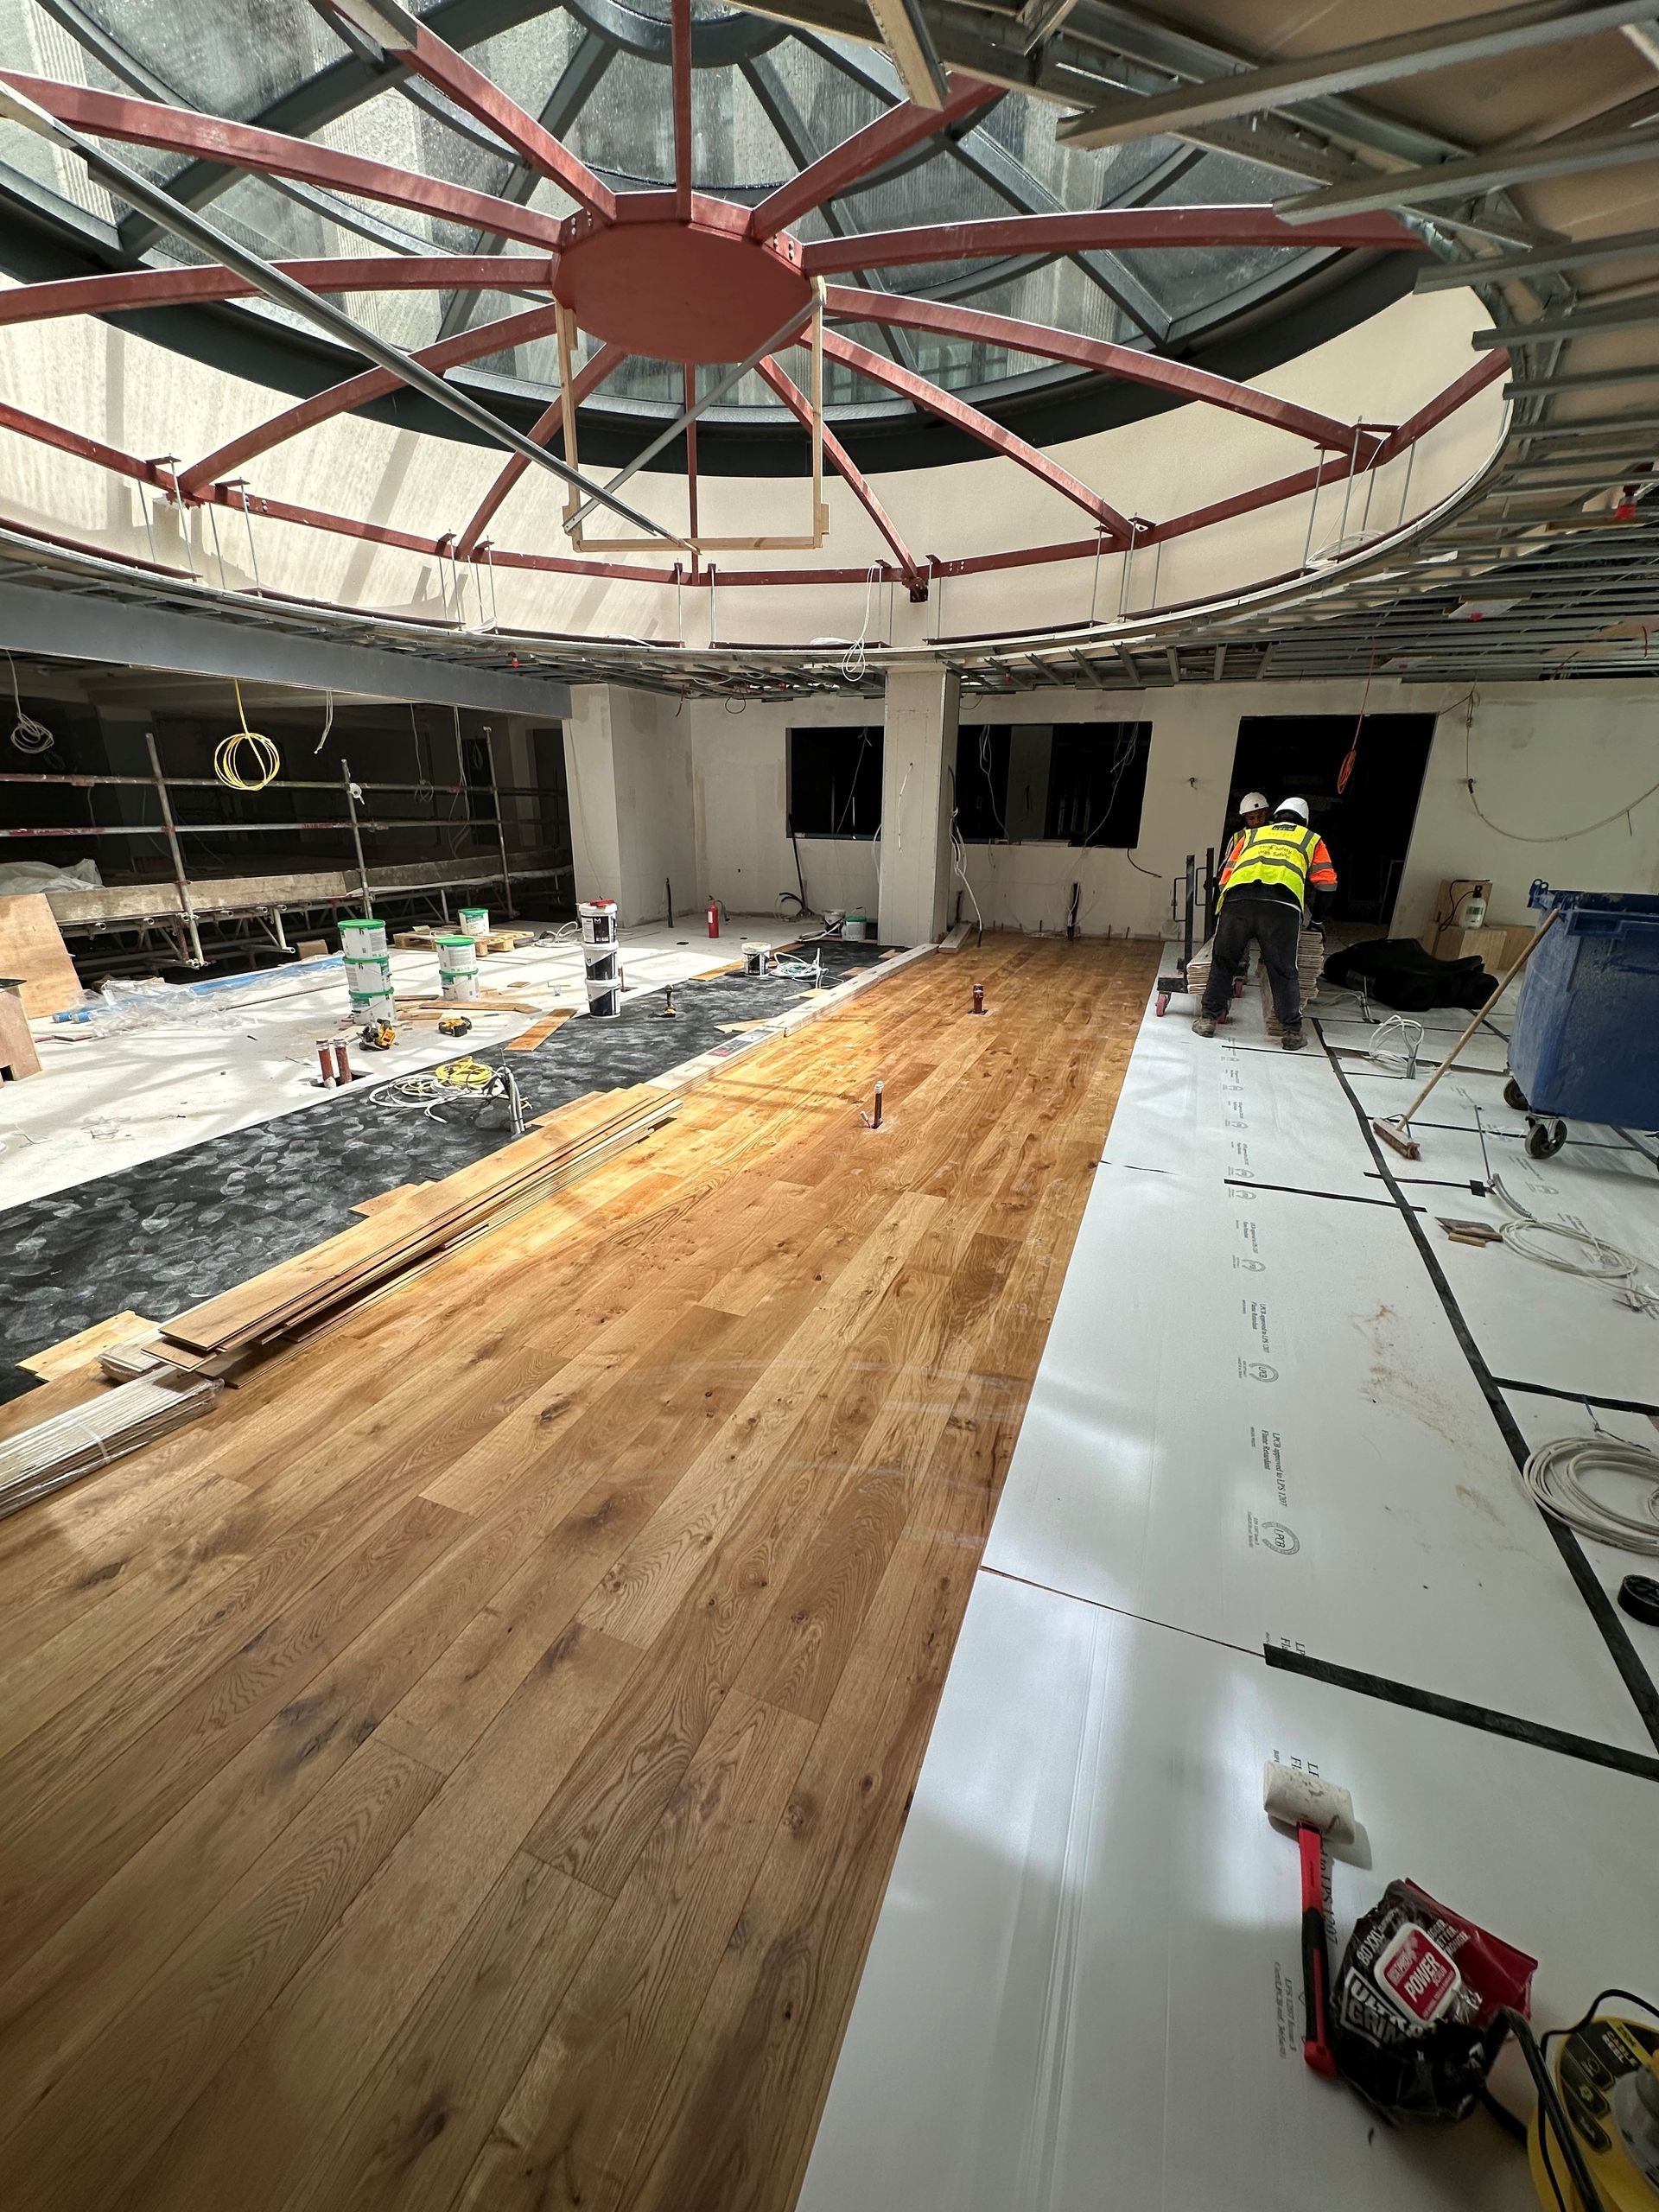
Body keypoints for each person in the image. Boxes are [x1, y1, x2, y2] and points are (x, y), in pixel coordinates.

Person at [1192, 796, 1337, 1052]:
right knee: (1283, 969)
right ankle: (1291, 1032)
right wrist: (1316, 920)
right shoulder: (1311, 839)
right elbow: (1327, 884)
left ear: (1276, 816)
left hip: (1238, 901)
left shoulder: (1250, 835)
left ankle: (1207, 1020)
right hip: (1281, 907)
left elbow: (1224, 878)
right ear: (1304, 821)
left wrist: (1227, 912)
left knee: (1224, 962)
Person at [1223, 791, 1270, 869]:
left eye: (1260, 817)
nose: (1256, 821)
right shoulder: (1238, 837)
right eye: (1251, 818)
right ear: (1245, 818)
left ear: (1266, 813)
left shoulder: (1277, 831)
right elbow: (1227, 865)